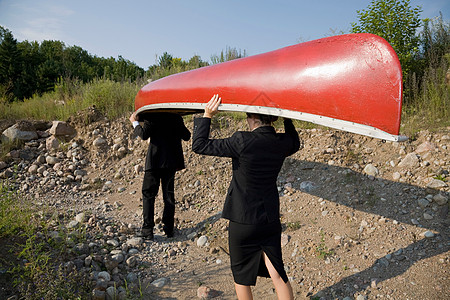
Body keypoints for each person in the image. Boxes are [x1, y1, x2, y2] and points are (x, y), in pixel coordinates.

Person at [192, 94, 300, 300]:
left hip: (243, 220)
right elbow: (295, 142)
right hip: (269, 220)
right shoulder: (282, 142)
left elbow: (199, 145)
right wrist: (288, 116)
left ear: (252, 118)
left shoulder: (241, 140)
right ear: (272, 119)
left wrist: (207, 115)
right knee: (277, 272)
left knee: (241, 277)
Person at [130, 111, 191, 240]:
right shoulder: (176, 117)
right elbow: (186, 136)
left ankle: (147, 230)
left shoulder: (153, 116)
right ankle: (169, 229)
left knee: (148, 195)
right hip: (171, 162)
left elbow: (143, 135)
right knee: (168, 195)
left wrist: (134, 122)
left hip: (154, 161)